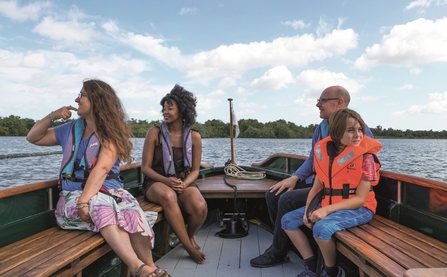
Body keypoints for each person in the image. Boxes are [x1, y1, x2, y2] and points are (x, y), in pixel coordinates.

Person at [26, 79, 170, 277]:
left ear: (96, 100)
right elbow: (33, 137)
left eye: (82, 95)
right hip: (74, 198)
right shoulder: (68, 129)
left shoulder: (110, 132)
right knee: (104, 208)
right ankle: (138, 268)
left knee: (133, 213)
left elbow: (101, 169)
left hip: (109, 193)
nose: (77, 99)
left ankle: (151, 268)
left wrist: (87, 200)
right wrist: (52, 116)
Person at [250, 86, 374, 268]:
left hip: (345, 193)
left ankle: (279, 251)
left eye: (322, 100)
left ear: (339, 102)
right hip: (323, 184)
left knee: (286, 200)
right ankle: (286, 244)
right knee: (273, 194)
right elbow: (313, 159)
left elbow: (361, 169)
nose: (318, 104)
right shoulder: (322, 128)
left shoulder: (357, 131)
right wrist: (294, 177)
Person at [282, 108, 382, 277]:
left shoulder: (367, 159)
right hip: (329, 203)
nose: (358, 135)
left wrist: (325, 210)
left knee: (321, 229)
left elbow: (360, 199)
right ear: (336, 133)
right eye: (351, 130)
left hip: (360, 208)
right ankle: (312, 267)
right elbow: (316, 188)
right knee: (288, 221)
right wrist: (308, 210)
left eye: (360, 129)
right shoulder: (325, 154)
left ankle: (331, 272)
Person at [141, 84, 207, 264]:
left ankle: (187, 235)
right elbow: (145, 168)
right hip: (156, 181)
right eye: (164, 108)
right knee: (169, 196)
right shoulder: (154, 133)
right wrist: (166, 181)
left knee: (200, 207)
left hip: (183, 181)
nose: (165, 111)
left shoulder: (194, 137)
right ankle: (188, 246)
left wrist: (185, 184)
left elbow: (195, 171)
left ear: (182, 109)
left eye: (170, 107)